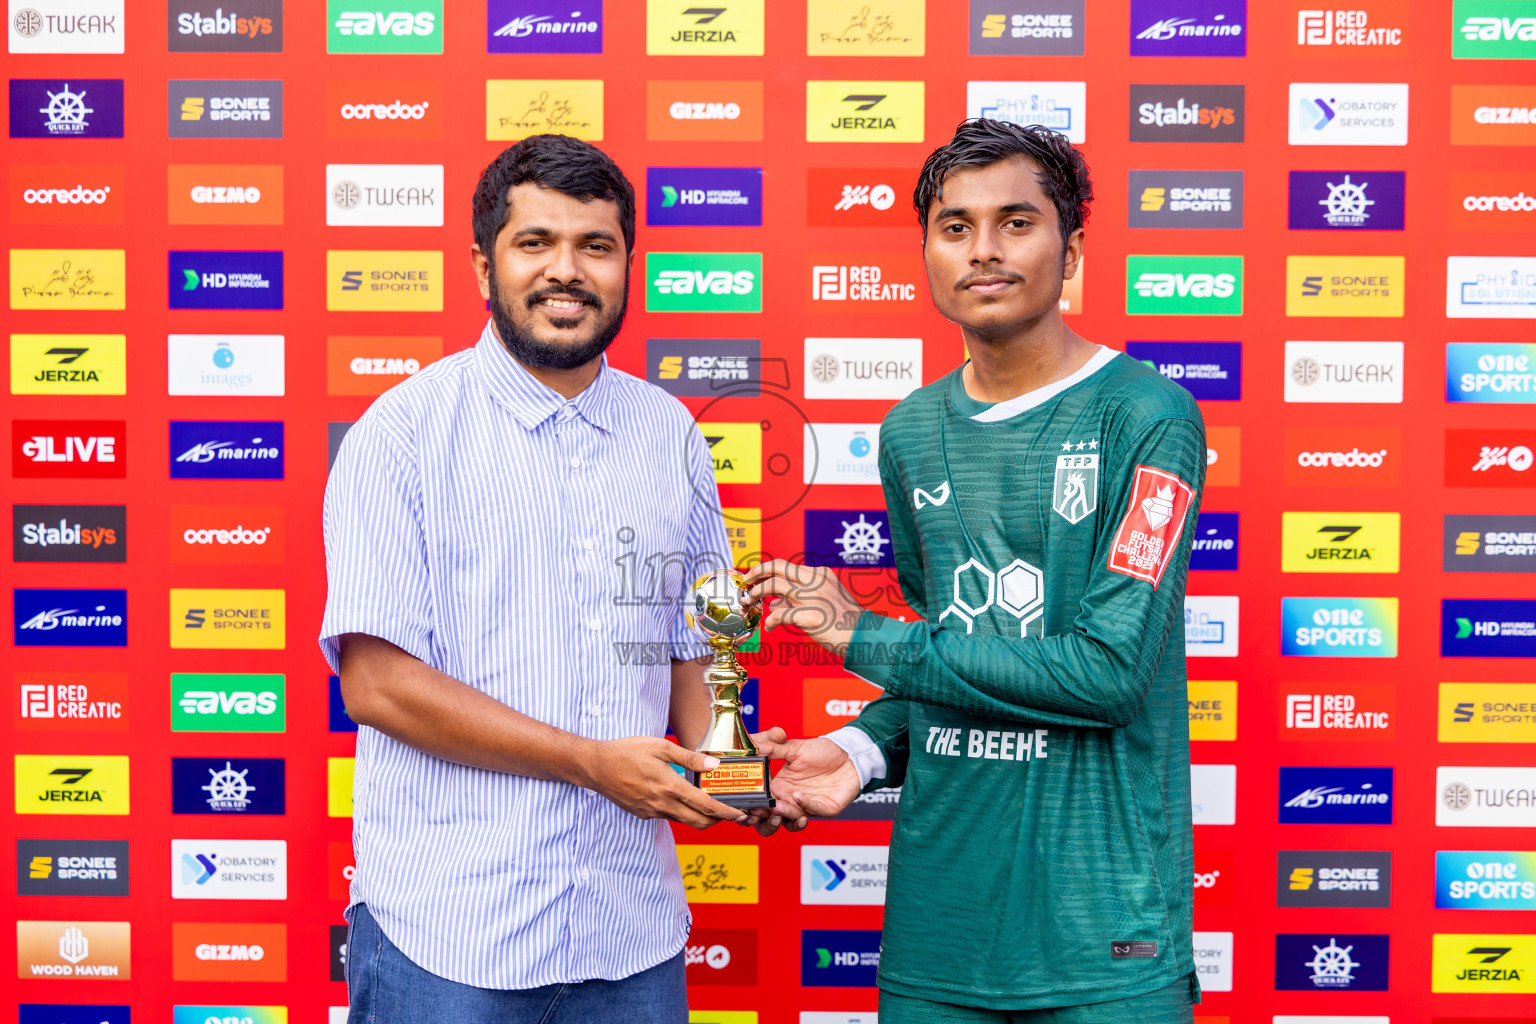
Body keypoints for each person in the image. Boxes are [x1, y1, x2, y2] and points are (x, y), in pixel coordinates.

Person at [748, 119, 1207, 1023]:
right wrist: (860, 749)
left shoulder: (1150, 417)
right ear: (925, 251)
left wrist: (863, 636)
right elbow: (963, 656)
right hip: (939, 927)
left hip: (1101, 934)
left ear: (1072, 248)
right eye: (955, 227)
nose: (984, 251)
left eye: (1017, 222)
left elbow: (1109, 674)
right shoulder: (910, 431)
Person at [320, 134, 765, 1024]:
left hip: (629, 934)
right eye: (537, 244)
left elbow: (692, 646)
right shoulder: (403, 433)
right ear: (484, 262)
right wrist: (591, 764)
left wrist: (734, 768)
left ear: (627, 263)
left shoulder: (670, 432)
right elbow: (377, 685)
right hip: (449, 939)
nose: (568, 271)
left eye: (595, 246)